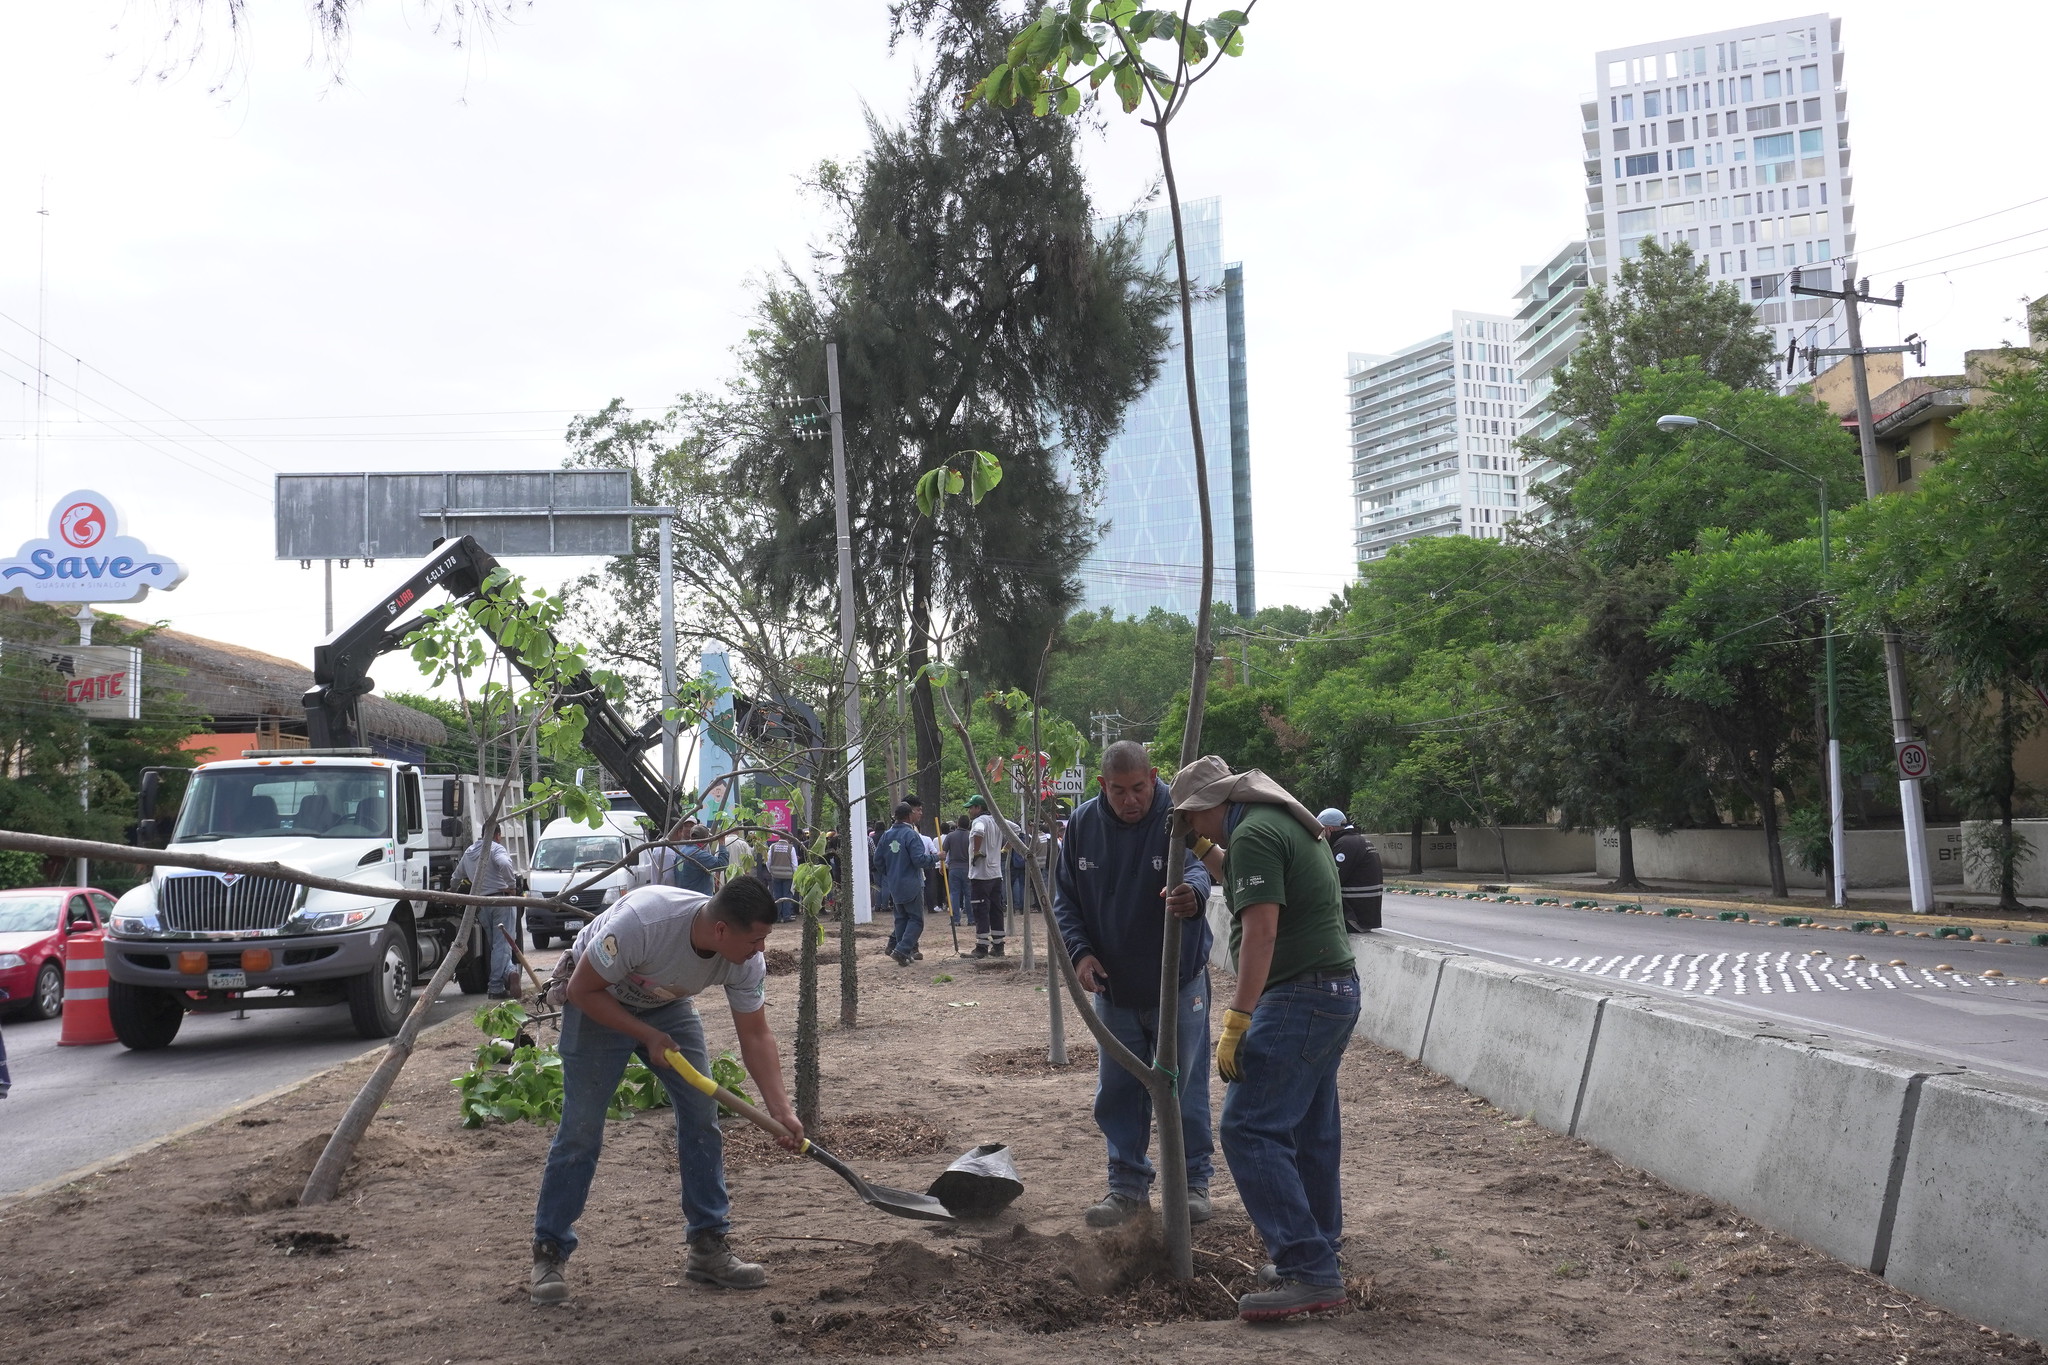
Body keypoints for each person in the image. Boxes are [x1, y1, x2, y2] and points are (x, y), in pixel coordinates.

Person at [530, 876, 802, 1306]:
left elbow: (755, 1035)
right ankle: (549, 1251)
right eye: (756, 939)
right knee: (581, 1128)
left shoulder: (745, 961)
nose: (761, 949)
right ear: (721, 931)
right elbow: (582, 990)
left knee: (701, 1116)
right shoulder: (644, 922)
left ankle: (708, 1246)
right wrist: (645, 1035)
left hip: (666, 1003)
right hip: (598, 995)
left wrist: (781, 1109)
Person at [1167, 755, 1358, 1323]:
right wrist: (1203, 852)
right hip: (1334, 991)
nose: (1192, 827)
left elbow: (1261, 931)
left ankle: (1309, 1269)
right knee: (1309, 1128)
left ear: (1210, 806)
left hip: (1297, 995)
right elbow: (1247, 875)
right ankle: (1321, 1247)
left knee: (1247, 1126)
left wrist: (1237, 1018)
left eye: (1193, 820)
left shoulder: (1253, 833)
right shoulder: (1280, 820)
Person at [1053, 741, 1216, 1228]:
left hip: (1178, 984)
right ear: (1102, 786)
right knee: (1118, 1089)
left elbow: (1200, 867)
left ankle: (1192, 1185)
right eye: (1119, 791)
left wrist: (1194, 894)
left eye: (1139, 789)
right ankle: (1126, 1189)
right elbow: (1065, 901)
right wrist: (1080, 955)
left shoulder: (1178, 816)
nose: (1131, 800)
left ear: (1155, 777)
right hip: (1114, 989)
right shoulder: (1082, 825)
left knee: (1185, 1088)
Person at [454, 826, 522, 998]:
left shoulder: (470, 852)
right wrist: (512, 886)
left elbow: (457, 875)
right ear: (497, 835)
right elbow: (505, 864)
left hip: (481, 904)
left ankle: (510, 972)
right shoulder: (496, 848)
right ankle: (496, 986)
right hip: (501, 901)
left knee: (496, 945)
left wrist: (452, 890)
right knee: (503, 944)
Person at [871, 802, 935, 966]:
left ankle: (902, 953)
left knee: (901, 919)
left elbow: (877, 860)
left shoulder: (886, 835)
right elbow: (919, 860)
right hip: (911, 883)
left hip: (894, 884)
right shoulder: (911, 835)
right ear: (908, 816)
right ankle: (902, 949)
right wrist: (937, 857)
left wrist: (890, 872)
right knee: (916, 920)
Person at [1318, 809, 1385, 934]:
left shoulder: (1345, 844)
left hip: (1353, 918)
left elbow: (1331, 880)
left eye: (1322, 832)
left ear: (1329, 829)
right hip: (1365, 917)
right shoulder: (1358, 840)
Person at [963, 794, 1007, 957]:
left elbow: (979, 832)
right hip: (996, 874)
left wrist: (976, 852)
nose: (969, 812)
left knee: (980, 909)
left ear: (978, 808)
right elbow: (1016, 830)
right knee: (996, 910)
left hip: (980, 875)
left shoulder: (979, 821)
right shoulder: (997, 820)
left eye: (971, 808)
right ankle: (998, 945)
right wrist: (1006, 848)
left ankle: (981, 947)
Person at [941, 815, 972, 926]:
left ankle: (956, 919)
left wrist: (942, 865)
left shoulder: (950, 836)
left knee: (954, 893)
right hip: (967, 868)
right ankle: (971, 919)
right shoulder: (970, 836)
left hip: (954, 868)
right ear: (968, 824)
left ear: (957, 823)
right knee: (968, 894)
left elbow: (943, 852)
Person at [764, 834, 800, 923]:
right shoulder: (790, 848)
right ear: (787, 838)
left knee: (777, 895)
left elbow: (768, 862)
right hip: (788, 876)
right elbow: (794, 864)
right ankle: (786, 916)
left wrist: (771, 871)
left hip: (776, 875)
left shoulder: (772, 847)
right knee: (787, 895)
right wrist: (795, 876)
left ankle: (777, 917)